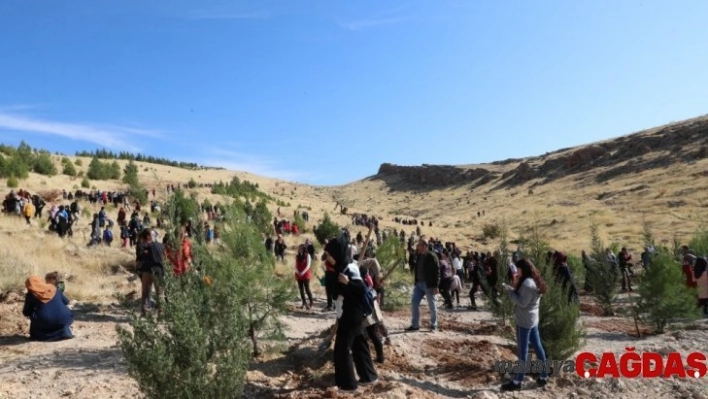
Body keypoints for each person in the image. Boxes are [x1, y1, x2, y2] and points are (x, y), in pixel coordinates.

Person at [325, 235, 378, 392]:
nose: (327, 258)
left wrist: (348, 282)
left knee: (341, 349)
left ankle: (348, 385)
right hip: (350, 313)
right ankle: (369, 377)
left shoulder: (350, 268)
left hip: (352, 314)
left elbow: (361, 289)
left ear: (337, 253)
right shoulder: (341, 267)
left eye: (329, 255)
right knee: (359, 344)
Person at [501, 259, 549, 391]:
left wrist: (509, 292)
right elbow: (525, 298)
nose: (517, 272)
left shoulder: (527, 284)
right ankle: (544, 376)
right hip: (532, 320)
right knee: (538, 348)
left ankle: (517, 382)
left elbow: (521, 302)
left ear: (523, 269)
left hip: (524, 321)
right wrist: (512, 288)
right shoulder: (533, 280)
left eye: (518, 269)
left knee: (523, 352)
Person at [22, 275, 74, 341]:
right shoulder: (53, 288)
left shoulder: (31, 294)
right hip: (65, 318)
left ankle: (37, 336)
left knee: (34, 315)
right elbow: (66, 302)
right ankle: (64, 331)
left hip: (46, 322)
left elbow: (26, 312)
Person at [406, 238, 440, 332]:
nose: (417, 247)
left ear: (424, 246)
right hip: (419, 284)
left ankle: (434, 325)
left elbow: (437, 272)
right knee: (414, 303)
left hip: (429, 284)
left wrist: (436, 285)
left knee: (432, 305)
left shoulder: (432, 256)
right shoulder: (419, 255)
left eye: (419, 245)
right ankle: (415, 325)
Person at [137, 228, 165, 316]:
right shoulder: (161, 245)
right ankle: (161, 312)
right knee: (159, 293)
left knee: (145, 292)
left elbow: (140, 258)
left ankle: (144, 311)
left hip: (147, 270)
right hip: (158, 271)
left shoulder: (143, 245)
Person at [294, 244, 314, 309]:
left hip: (305, 274)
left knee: (307, 288)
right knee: (301, 289)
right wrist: (298, 272)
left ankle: (311, 302)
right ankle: (304, 302)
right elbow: (295, 266)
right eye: (299, 248)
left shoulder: (308, 255)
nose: (300, 249)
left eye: (301, 248)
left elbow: (308, 265)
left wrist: (302, 272)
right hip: (298, 274)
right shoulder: (297, 256)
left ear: (304, 249)